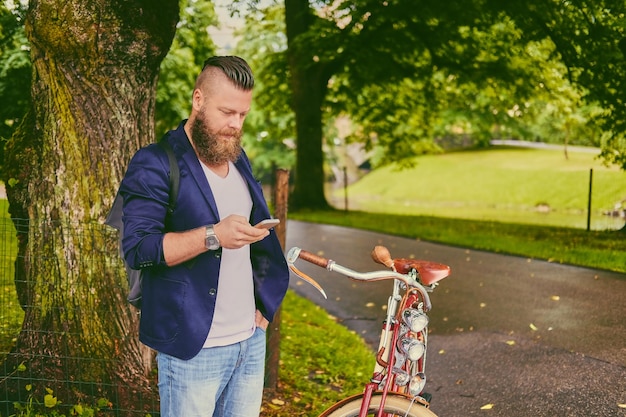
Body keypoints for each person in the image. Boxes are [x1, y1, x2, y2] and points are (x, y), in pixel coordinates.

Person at [118, 56, 289, 417]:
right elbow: (138, 248)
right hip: (194, 349)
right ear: (198, 100)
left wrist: (263, 306)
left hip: (249, 343)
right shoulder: (155, 162)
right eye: (227, 112)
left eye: (242, 115)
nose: (234, 125)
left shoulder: (238, 159)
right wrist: (214, 235)